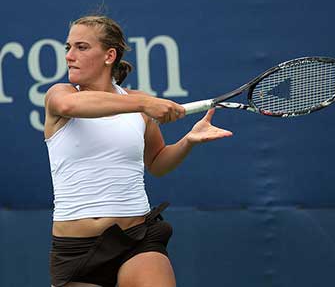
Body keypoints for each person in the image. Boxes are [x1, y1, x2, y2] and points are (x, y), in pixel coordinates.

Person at [44, 15, 232, 287]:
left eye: (81, 47)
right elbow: (70, 106)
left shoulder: (138, 106)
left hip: (137, 238)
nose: (70, 56)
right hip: (76, 250)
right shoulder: (59, 95)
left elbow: (157, 162)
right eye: (68, 47)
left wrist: (188, 141)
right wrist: (143, 103)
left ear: (109, 55)